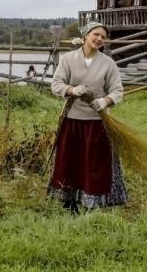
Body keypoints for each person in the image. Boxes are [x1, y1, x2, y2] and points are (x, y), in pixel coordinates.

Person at [48, 21, 125, 213]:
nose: (99, 39)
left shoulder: (108, 64)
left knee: (94, 163)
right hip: (72, 120)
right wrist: (72, 89)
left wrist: (104, 101)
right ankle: (69, 203)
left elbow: (118, 91)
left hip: (97, 122)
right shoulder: (68, 59)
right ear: (86, 35)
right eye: (96, 34)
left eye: (103, 37)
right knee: (70, 160)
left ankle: (92, 204)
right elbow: (56, 84)